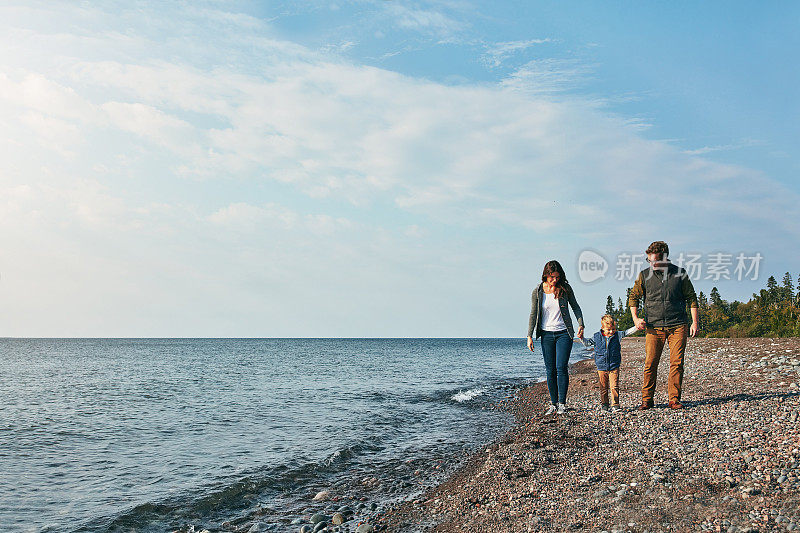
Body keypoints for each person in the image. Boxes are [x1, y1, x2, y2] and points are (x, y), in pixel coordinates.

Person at [628, 241, 699, 410]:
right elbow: (633, 298)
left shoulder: (680, 273)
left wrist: (695, 322)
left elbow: (692, 298)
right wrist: (636, 319)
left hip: (678, 325)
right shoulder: (644, 275)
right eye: (649, 261)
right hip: (653, 326)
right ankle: (647, 400)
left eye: (655, 261)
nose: (651, 264)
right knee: (650, 363)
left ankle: (674, 399)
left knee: (676, 363)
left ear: (665, 258)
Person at [527, 260, 584, 415]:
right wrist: (529, 335)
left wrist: (581, 325)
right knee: (550, 370)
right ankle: (553, 403)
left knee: (561, 367)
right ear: (546, 275)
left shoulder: (565, 289)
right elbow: (533, 314)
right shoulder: (538, 291)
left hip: (564, 333)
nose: (554, 280)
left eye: (557, 277)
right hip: (546, 334)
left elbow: (576, 307)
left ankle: (562, 404)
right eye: (552, 277)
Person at [582, 315, 640, 412]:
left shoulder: (617, 335)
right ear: (603, 328)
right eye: (608, 330)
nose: (611, 331)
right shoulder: (596, 336)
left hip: (614, 365)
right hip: (601, 366)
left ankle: (615, 405)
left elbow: (627, 332)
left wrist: (637, 327)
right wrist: (581, 337)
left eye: (613, 329)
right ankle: (605, 405)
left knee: (614, 386)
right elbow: (587, 343)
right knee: (603, 387)